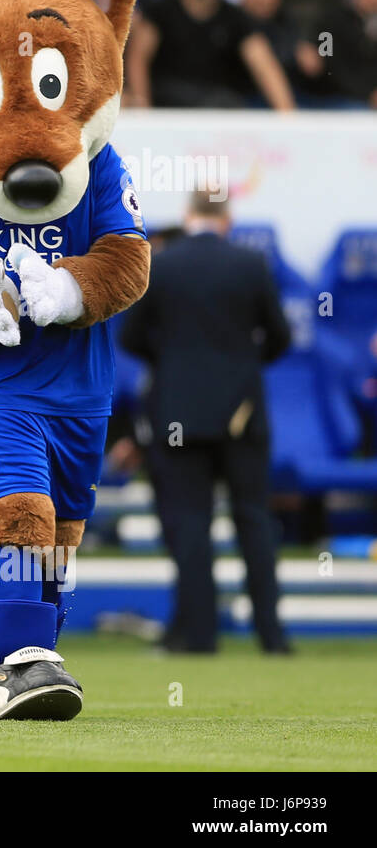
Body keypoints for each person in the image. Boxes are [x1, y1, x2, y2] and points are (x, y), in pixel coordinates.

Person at [119, 192, 292, 655]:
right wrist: (243, 366)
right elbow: (281, 336)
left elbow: (130, 336)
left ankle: (199, 636)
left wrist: (174, 364)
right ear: (227, 219)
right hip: (243, 414)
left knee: (190, 524)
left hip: (178, 412)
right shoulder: (251, 264)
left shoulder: (163, 265)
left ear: (187, 216)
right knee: (253, 520)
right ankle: (271, 637)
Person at [126, 0, 294, 110]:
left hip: (216, 107)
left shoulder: (234, 17)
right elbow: (138, 59)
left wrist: (287, 116)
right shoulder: (161, 11)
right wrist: (142, 107)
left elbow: (263, 64)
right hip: (167, 105)